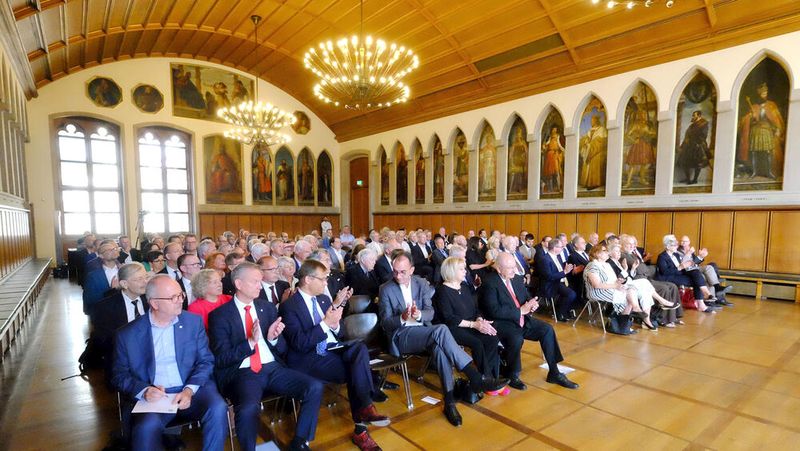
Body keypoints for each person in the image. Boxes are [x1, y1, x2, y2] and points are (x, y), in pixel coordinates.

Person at [378, 252, 508, 427]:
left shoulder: (420, 283)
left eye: (402, 272)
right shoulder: (386, 288)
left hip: (424, 331)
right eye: (395, 271)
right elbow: (385, 324)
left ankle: (449, 402)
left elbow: (430, 313)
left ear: (412, 270)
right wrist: (402, 317)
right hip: (402, 335)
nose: (398, 276)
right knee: (441, 329)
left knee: (440, 349)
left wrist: (419, 315)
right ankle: (475, 377)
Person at [208, 263, 323, 451]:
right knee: (248, 409)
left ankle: (301, 441)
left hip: (272, 368)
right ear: (238, 284)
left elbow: (283, 349)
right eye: (255, 282)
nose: (260, 286)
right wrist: (250, 343)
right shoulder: (220, 315)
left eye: (260, 281)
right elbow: (221, 359)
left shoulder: (267, 308)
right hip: (243, 372)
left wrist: (273, 339)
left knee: (314, 387)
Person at [111, 275, 229, 451]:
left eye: (181, 295)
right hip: (156, 396)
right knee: (145, 428)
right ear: (154, 303)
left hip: (191, 388)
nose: (180, 300)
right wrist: (144, 390)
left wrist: (189, 390)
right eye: (173, 297)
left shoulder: (192, 322)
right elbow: (119, 375)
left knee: (218, 407)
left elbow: (206, 361)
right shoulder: (128, 334)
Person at [279, 260, 388, 450]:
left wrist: (335, 324)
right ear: (307, 279)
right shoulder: (290, 306)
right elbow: (299, 343)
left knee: (359, 349)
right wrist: (325, 324)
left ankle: (365, 410)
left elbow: (339, 332)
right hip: (308, 358)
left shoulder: (323, 299)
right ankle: (362, 426)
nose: (326, 283)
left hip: (331, 350)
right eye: (322, 279)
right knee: (357, 371)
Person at [479, 253, 577, 390]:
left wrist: (531, 304)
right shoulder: (489, 282)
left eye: (514, 266)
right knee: (516, 338)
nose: (514, 270)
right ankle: (512, 374)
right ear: (499, 269)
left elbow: (526, 297)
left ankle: (554, 372)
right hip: (502, 323)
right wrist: (520, 311)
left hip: (521, 319)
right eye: (509, 268)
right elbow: (493, 311)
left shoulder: (517, 279)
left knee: (547, 329)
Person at [433, 257, 504, 394]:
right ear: (451, 271)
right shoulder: (442, 291)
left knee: (492, 338)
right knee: (477, 342)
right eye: (461, 269)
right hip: (453, 328)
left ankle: (488, 376)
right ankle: (488, 381)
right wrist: (474, 325)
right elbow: (449, 318)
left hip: (472, 324)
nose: (465, 271)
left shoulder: (464, 287)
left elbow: (475, 308)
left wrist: (480, 320)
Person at [584, 245, 649, 332]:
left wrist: (618, 282)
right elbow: (596, 285)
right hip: (598, 292)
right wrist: (615, 286)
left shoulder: (606, 264)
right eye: (604, 250)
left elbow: (613, 281)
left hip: (610, 288)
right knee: (627, 297)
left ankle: (624, 323)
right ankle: (623, 324)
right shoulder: (592, 266)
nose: (607, 252)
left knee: (630, 290)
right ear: (597, 254)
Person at [656, 234, 718, 313]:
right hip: (668, 277)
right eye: (674, 245)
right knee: (696, 280)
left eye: (676, 244)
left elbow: (688, 262)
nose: (677, 246)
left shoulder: (675, 254)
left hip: (679, 274)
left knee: (695, 272)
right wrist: (680, 267)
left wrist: (700, 257)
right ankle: (702, 302)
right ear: (668, 247)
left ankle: (705, 295)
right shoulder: (662, 256)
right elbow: (665, 272)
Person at [737, 81, 785, 179]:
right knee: (754, 152)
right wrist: (750, 117)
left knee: (768, 151)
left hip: (767, 131)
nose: (764, 95)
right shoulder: (754, 107)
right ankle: (755, 172)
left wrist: (777, 129)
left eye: (765, 93)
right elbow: (745, 121)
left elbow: (776, 119)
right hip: (755, 132)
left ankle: (769, 172)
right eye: (763, 93)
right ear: (758, 94)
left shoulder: (771, 105)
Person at [535, 239, 577, 322]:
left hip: (559, 282)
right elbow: (549, 277)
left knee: (575, 289)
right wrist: (565, 272)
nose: (562, 248)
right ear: (554, 248)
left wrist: (569, 270)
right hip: (550, 285)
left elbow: (561, 271)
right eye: (561, 247)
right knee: (571, 294)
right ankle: (559, 313)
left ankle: (565, 311)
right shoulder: (545, 259)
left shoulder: (557, 257)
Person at [624, 109, 657, 188]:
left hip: (646, 145)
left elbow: (653, 133)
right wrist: (633, 140)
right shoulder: (636, 124)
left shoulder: (647, 124)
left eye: (644, 114)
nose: (643, 116)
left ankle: (642, 179)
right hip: (638, 145)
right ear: (639, 115)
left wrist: (650, 133)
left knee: (644, 164)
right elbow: (627, 134)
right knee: (633, 165)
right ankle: (628, 182)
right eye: (642, 114)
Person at [677, 110, 711, 185]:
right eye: (692, 115)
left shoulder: (703, 124)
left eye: (694, 115)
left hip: (698, 146)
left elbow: (704, 135)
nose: (693, 117)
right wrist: (682, 146)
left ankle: (695, 179)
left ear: (699, 116)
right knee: (684, 162)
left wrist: (697, 143)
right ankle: (688, 179)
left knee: (698, 163)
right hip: (688, 146)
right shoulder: (692, 125)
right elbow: (687, 136)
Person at [579, 115, 608, 191]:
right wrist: (586, 141)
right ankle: (586, 182)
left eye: (593, 120)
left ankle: (594, 183)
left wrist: (591, 144)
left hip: (597, 152)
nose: (591, 122)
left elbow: (602, 141)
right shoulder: (590, 130)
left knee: (594, 162)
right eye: (591, 120)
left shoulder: (601, 129)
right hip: (589, 150)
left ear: (596, 120)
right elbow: (587, 139)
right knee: (587, 163)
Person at [541, 126, 565, 193]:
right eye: (553, 129)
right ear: (551, 130)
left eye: (555, 129)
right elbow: (546, 145)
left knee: (557, 172)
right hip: (549, 156)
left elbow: (559, 145)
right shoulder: (549, 137)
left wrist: (564, 150)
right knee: (549, 173)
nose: (554, 130)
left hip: (555, 155)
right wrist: (544, 146)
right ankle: (550, 188)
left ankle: (559, 187)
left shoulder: (558, 136)